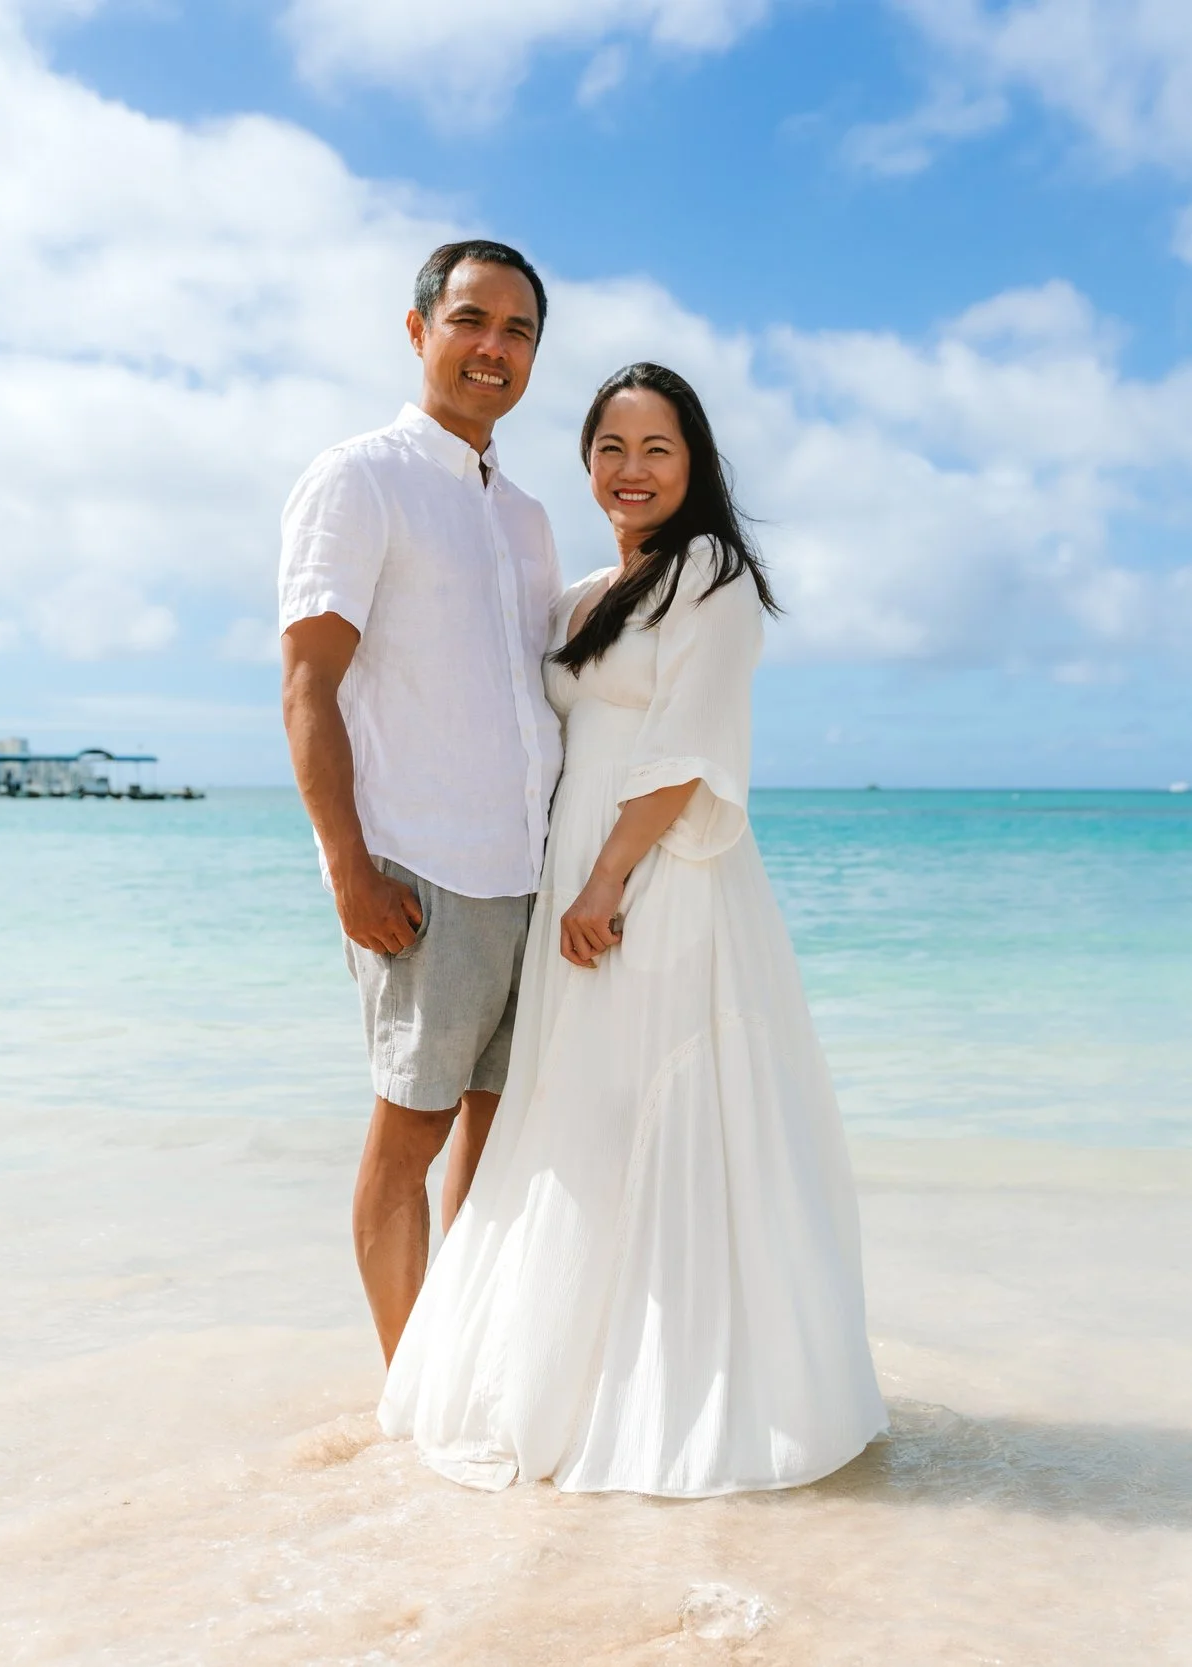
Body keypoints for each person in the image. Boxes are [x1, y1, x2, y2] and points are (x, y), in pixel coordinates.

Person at [379, 363, 887, 1497]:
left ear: (694, 462)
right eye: (610, 447)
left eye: (657, 447)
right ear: (585, 462)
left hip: (659, 875)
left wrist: (607, 879)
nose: (632, 469)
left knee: (652, 1108)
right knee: (582, 1118)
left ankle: (683, 1388)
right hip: (577, 874)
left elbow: (689, 747)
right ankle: (578, 1368)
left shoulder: (710, 576)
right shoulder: (587, 594)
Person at [279, 240, 564, 1366]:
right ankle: (410, 1393)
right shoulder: (360, 477)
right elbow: (309, 683)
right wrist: (348, 866)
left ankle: (469, 1372)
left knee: (494, 1144)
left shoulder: (527, 517)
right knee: (410, 1138)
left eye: (518, 330)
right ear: (418, 331)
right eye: (470, 320)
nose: (494, 347)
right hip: (422, 871)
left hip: (528, 872)